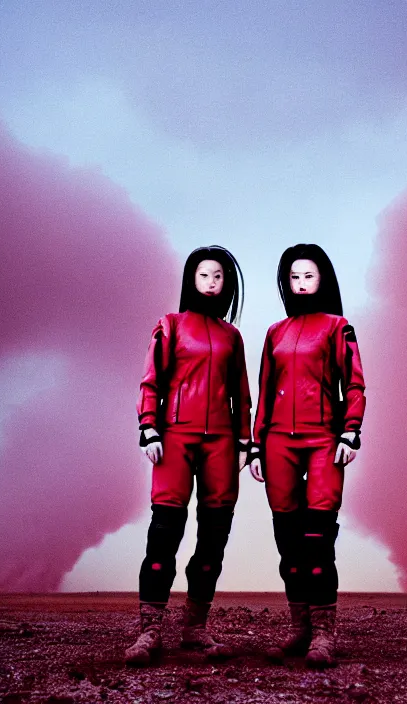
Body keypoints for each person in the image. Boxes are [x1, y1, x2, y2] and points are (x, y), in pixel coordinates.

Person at [125, 246, 252, 665]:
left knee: (214, 537)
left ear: (226, 283)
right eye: (204, 275)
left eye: (218, 276)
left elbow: (242, 397)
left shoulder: (233, 337)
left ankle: (195, 628)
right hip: (175, 438)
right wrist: (148, 429)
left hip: (221, 442)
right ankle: (149, 631)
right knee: (165, 532)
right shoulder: (170, 325)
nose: (211, 282)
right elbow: (151, 382)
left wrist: (245, 443)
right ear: (191, 280)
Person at [249, 244, 366, 668]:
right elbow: (263, 393)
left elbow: (354, 386)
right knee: (288, 541)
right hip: (278, 441)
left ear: (323, 280)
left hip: (323, 441)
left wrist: (350, 433)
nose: (301, 284)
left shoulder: (339, 328)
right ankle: (299, 629)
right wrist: (256, 445)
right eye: (294, 277)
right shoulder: (275, 334)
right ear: (286, 283)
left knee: (318, 540)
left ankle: (323, 635)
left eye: (309, 276)